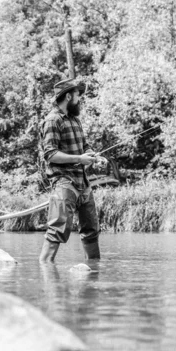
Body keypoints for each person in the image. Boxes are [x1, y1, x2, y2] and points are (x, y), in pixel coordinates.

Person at [39, 78, 101, 263]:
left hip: (83, 183)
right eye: (77, 95)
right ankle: (46, 273)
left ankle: (93, 273)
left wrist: (93, 156)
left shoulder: (75, 120)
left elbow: (85, 147)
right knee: (57, 228)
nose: (79, 99)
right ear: (68, 96)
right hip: (64, 182)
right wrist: (79, 159)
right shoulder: (52, 121)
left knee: (91, 230)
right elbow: (50, 155)